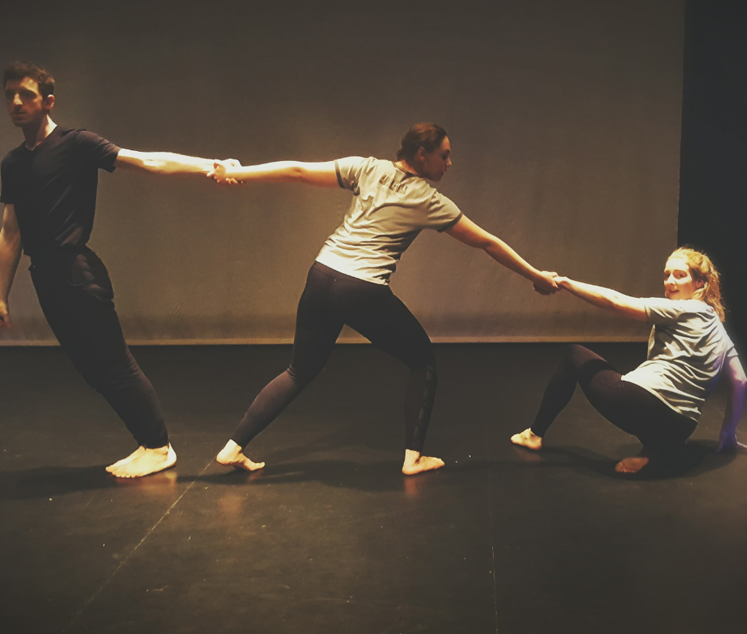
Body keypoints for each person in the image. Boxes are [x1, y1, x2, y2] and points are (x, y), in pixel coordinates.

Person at [210, 123, 559, 475]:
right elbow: (487, 242)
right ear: (421, 154)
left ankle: (232, 448)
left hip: (322, 275)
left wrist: (239, 173)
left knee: (298, 371)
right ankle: (414, 458)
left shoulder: (366, 167)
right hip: (360, 288)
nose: (449, 164)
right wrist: (537, 277)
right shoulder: (428, 200)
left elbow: (298, 171)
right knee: (422, 361)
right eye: (445, 155)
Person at [0, 61, 237, 478]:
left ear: (48, 102)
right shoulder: (13, 164)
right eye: (10, 94)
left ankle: (158, 447)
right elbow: (10, 231)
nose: (16, 102)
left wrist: (208, 165)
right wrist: (0, 296)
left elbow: (148, 162)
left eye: (26, 95)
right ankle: (149, 442)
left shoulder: (76, 144)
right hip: (46, 278)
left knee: (113, 363)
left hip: (78, 272)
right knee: (92, 368)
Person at [511, 247, 747, 474]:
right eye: (667, 275)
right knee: (659, 432)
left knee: (573, 355)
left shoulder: (683, 309)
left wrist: (565, 283)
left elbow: (616, 301)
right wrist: (728, 433)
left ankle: (534, 434)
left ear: (700, 283)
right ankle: (657, 454)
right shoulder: (718, 327)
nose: (670, 282)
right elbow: (740, 380)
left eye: (680, 275)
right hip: (681, 427)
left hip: (647, 406)